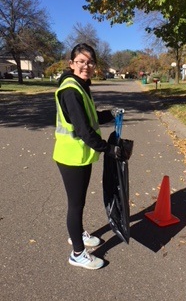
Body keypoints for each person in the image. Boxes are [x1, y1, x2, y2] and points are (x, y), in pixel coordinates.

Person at [53, 43, 121, 270]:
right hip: (71, 157)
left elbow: (89, 119)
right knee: (75, 204)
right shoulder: (71, 90)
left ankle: (77, 235)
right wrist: (108, 149)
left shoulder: (81, 85)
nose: (86, 66)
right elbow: (83, 130)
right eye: (81, 61)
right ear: (71, 64)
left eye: (90, 62)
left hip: (79, 156)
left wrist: (109, 114)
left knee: (78, 202)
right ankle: (78, 254)